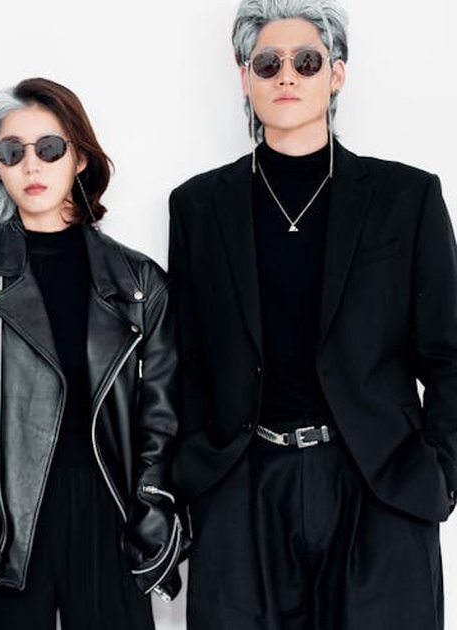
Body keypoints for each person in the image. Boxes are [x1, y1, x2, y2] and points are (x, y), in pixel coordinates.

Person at [169, 2, 455, 628]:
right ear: (245, 77)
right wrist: (197, 470)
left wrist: (441, 467)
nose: (287, 76)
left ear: (337, 75)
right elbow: (185, 356)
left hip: (378, 479)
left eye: (307, 61)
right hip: (242, 482)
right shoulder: (196, 206)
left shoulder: (407, 197)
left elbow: (448, 353)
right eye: (268, 63)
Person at [0, 78, 185, 630]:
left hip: (107, 508)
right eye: (12, 152)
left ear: (81, 159)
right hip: (3, 517)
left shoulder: (139, 282)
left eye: (49, 148)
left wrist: (152, 509)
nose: (31, 166)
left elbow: (159, 417)